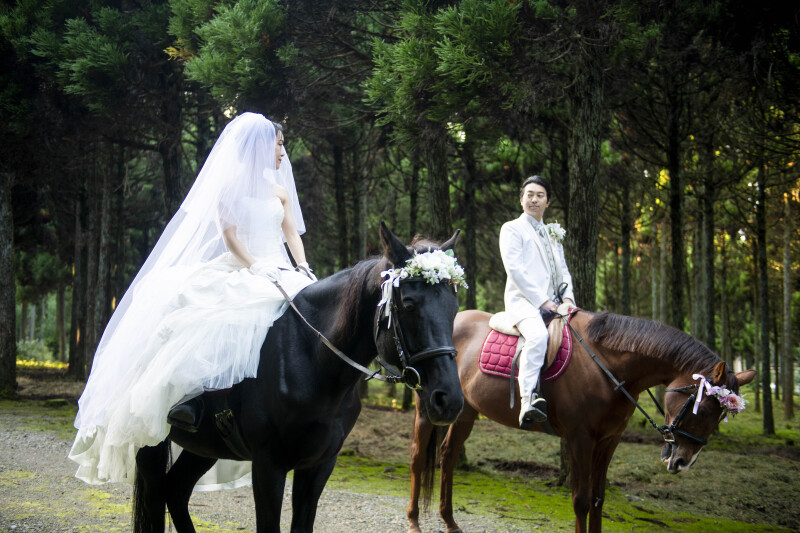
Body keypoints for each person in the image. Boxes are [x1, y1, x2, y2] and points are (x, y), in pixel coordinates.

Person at [69, 112, 317, 487]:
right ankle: (196, 406)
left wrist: (302, 266)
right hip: (242, 268)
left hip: (281, 270)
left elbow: (291, 234)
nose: (283, 152)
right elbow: (230, 235)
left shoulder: (280, 192)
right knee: (210, 323)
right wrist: (253, 267)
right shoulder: (230, 189)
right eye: (279, 145)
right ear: (261, 147)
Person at [498, 175, 575, 429]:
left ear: (547, 201)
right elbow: (515, 270)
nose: (534, 199)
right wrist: (543, 301)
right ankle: (527, 400)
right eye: (529, 194)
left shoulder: (553, 234)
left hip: (556, 303)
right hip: (523, 303)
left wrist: (567, 298)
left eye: (539, 195)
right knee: (538, 337)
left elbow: (563, 270)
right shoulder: (512, 229)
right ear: (521, 200)